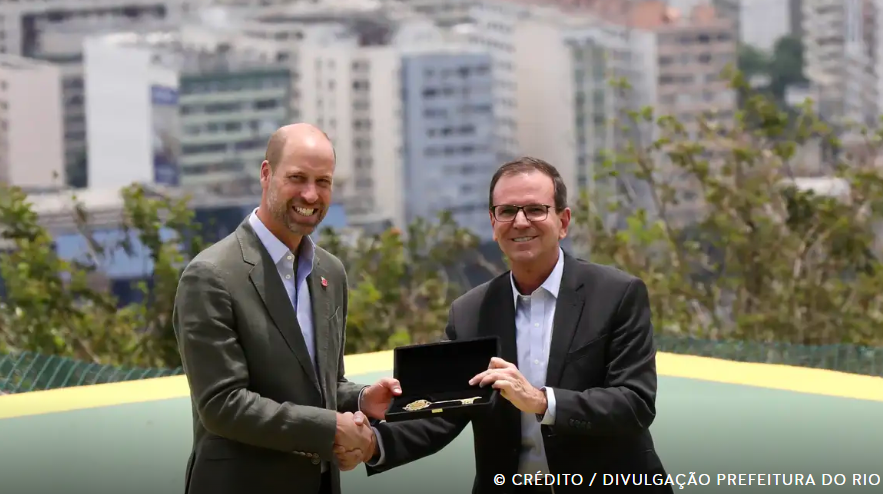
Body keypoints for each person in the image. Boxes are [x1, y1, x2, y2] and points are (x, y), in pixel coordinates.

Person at [355, 157, 673, 493]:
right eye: (507, 211)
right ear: (493, 223)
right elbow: (442, 413)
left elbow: (634, 403)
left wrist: (541, 401)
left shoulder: (617, 294)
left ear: (563, 221)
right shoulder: (470, 313)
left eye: (536, 209)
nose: (520, 222)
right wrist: (369, 442)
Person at [172, 123, 400, 494]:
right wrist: (329, 428)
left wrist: (361, 398)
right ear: (266, 174)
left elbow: (320, 386)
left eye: (323, 182)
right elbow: (221, 404)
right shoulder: (210, 276)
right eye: (297, 178)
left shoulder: (330, 272)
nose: (311, 194)